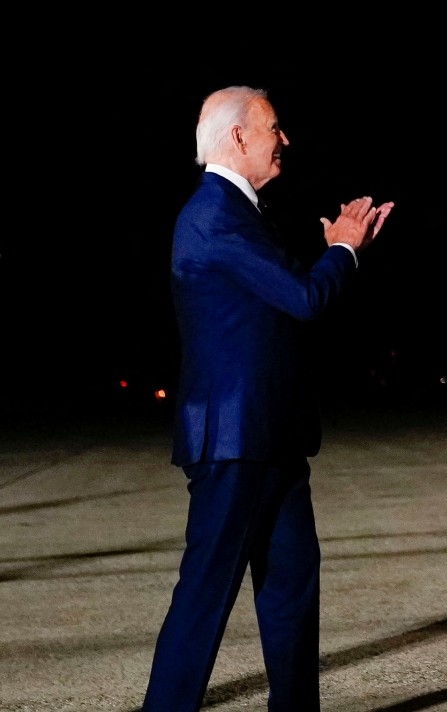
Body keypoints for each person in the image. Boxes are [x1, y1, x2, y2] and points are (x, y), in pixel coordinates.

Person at [144, 86, 393, 712]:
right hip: (237, 442)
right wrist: (343, 249)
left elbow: (278, 307)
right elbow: (304, 299)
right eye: (274, 128)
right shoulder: (214, 213)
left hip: (269, 437)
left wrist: (339, 252)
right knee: (205, 597)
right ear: (237, 137)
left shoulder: (241, 213)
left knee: (290, 588)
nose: (285, 140)